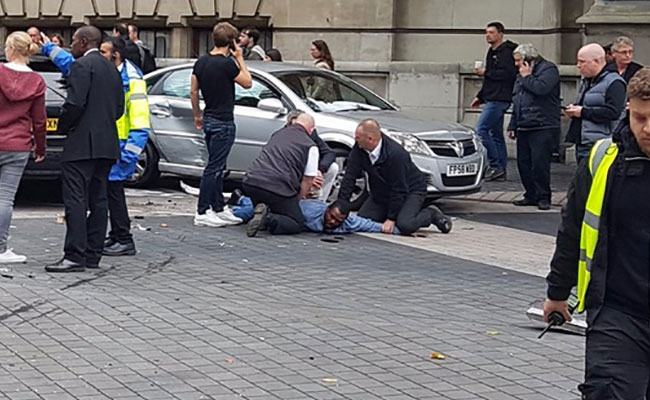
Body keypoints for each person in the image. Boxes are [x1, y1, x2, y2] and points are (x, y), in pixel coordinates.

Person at [544, 67, 650, 399]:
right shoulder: (603, 161)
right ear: (628, 110)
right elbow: (572, 229)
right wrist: (558, 291)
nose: (648, 129)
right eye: (641, 118)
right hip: (618, 313)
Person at [45, 26, 124, 273]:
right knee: (99, 199)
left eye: (74, 41)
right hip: (107, 143)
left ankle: (74, 255)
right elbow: (119, 108)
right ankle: (93, 254)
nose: (72, 46)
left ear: (83, 41)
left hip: (81, 144)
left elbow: (75, 103)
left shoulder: (81, 66)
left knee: (75, 199)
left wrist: (63, 126)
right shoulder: (112, 68)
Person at [337, 119, 453, 236]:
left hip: (410, 189)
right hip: (382, 192)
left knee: (405, 225)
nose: (355, 141)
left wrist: (391, 218)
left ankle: (431, 213)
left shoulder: (396, 154)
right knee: (364, 221)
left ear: (370, 139)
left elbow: (399, 189)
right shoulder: (359, 148)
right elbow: (349, 178)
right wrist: (340, 207)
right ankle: (398, 212)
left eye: (357, 138)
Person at [191, 22, 252, 227]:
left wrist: (197, 114)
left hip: (208, 117)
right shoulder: (227, 64)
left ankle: (218, 206)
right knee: (214, 167)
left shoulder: (201, 62)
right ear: (232, 42)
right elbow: (247, 82)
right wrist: (240, 58)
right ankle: (202, 210)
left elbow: (193, 90)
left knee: (217, 165)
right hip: (224, 120)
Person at [99, 38, 151, 257]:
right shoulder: (118, 75)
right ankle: (118, 234)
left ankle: (123, 238)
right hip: (114, 144)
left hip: (121, 147)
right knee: (112, 193)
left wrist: (129, 153)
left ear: (116, 55)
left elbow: (140, 121)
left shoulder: (132, 80)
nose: (99, 55)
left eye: (103, 51)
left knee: (115, 193)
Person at [0, 32, 46, 263]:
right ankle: (1, 249)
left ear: (10, 48)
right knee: (5, 199)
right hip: (17, 145)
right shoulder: (37, 81)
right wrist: (40, 148)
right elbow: (39, 121)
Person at [243, 113, 320, 237]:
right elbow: (308, 179)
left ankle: (260, 214)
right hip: (278, 188)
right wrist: (297, 199)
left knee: (270, 202)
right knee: (295, 223)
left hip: (251, 182)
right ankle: (267, 218)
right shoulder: (310, 145)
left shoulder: (277, 134)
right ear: (312, 130)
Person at [507, 44, 561, 211]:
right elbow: (517, 100)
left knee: (539, 163)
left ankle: (543, 196)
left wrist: (527, 76)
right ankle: (530, 194)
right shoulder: (521, 75)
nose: (516, 64)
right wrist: (513, 123)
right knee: (524, 163)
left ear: (528, 61)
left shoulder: (549, 70)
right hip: (524, 124)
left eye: (518, 61)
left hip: (542, 124)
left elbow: (541, 89)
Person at [470, 22, 518, 181]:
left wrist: (487, 72)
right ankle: (500, 169)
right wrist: (481, 96)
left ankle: (496, 164)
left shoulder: (506, 52)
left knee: (481, 130)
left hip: (500, 97)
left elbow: (509, 75)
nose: (488, 35)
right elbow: (490, 79)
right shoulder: (492, 51)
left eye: (491, 32)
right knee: (496, 134)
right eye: (486, 32)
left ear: (500, 34)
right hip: (492, 96)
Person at [565, 43, 627, 164]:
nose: (578, 66)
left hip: (600, 143)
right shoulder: (588, 81)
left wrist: (582, 112)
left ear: (596, 61)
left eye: (582, 62)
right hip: (583, 140)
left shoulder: (615, 82)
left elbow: (613, 112)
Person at [285, 111, 338, 201]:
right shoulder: (283, 135)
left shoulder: (311, 133)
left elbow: (329, 153)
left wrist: (319, 171)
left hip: (309, 169)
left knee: (333, 167)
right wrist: (308, 176)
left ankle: (319, 201)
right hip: (290, 171)